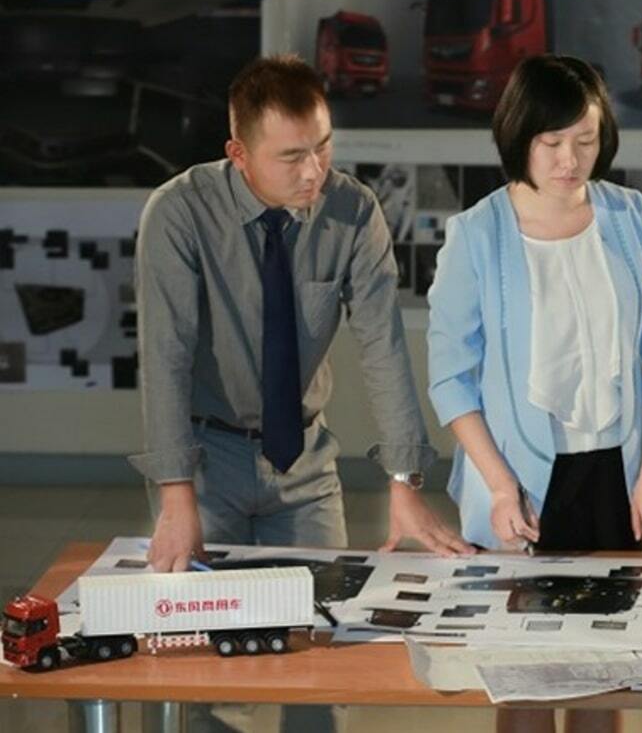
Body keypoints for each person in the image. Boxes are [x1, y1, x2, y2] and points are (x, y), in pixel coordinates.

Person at [131, 54, 472, 733]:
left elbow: (383, 346)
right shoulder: (178, 213)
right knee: (210, 674)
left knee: (323, 659)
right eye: (291, 156)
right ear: (238, 153)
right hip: (207, 461)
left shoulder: (352, 211)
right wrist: (176, 496)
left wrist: (404, 479)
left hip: (307, 464)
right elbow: (164, 359)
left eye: (322, 146)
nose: (313, 170)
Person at [427, 54, 642, 733]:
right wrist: (498, 486)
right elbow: (451, 378)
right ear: (520, 135)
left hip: (618, 474)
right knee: (525, 680)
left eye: (585, 139)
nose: (570, 160)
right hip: (518, 481)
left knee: (605, 676)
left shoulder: (630, 216)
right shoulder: (476, 234)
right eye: (551, 142)